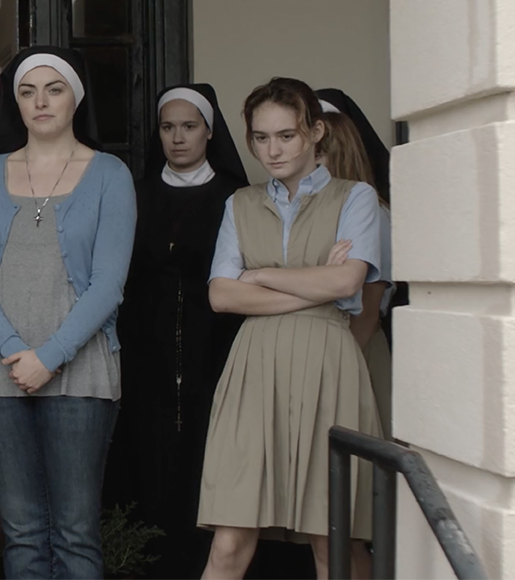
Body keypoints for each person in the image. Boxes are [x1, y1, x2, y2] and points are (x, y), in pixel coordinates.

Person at [0, 46, 135, 579]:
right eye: (28, 92)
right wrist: (16, 351)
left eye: (54, 90)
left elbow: (109, 284)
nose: (40, 102)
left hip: (81, 372)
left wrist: (50, 357)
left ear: (76, 98)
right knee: (21, 532)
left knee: (76, 534)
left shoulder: (110, 174)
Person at [199, 77, 383, 579]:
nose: (272, 150)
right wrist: (316, 282)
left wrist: (259, 275)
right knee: (229, 542)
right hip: (254, 369)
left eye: (286, 135)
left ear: (316, 132)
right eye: (261, 138)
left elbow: (348, 280)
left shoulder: (356, 197)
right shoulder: (239, 203)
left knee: (333, 541)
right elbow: (221, 296)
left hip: (328, 365)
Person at [114, 83, 248, 576]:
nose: (177, 138)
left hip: (215, 347)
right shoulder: (136, 194)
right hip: (144, 349)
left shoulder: (237, 198)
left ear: (209, 132)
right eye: (167, 127)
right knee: (147, 453)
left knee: (208, 452)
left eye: (189, 127)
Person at [316, 92, 394, 435]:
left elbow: (369, 312)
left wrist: (337, 370)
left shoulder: (373, 214)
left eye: (318, 153)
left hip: (357, 348)